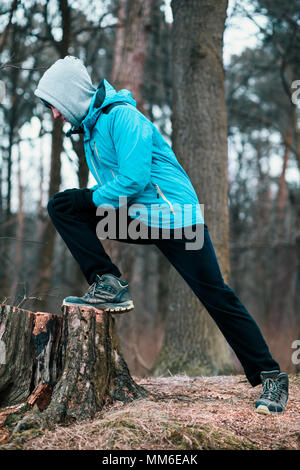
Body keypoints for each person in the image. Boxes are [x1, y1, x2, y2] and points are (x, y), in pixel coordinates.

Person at [34, 55, 289, 415]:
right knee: (63, 206)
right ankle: (107, 281)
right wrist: (94, 204)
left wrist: (92, 200)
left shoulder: (122, 117)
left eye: (56, 106)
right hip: (138, 216)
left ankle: (272, 377)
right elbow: (115, 187)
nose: (56, 115)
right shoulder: (92, 130)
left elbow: (134, 180)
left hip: (176, 220)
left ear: (71, 95)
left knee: (216, 295)